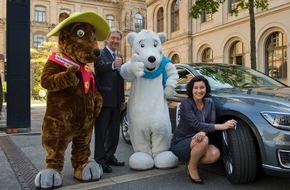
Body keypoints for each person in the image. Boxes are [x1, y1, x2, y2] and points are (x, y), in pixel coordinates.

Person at [170, 75, 236, 184]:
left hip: (199, 140)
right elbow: (195, 124)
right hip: (181, 142)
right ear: (191, 89)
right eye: (196, 88)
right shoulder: (186, 103)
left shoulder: (209, 102)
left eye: (202, 87)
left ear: (206, 89)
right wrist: (222, 126)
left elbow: (211, 122)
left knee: (214, 154)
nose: (199, 91)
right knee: (203, 140)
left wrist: (203, 131)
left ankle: (191, 162)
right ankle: (192, 167)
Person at [94, 28, 125, 173]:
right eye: (113, 38)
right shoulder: (100, 53)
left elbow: (120, 80)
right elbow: (99, 67)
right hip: (104, 100)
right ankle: (100, 160)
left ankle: (109, 155)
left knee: (114, 131)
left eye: (118, 39)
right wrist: (113, 65)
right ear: (107, 39)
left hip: (117, 101)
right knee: (101, 132)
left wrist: (123, 99)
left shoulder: (119, 56)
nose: (116, 41)